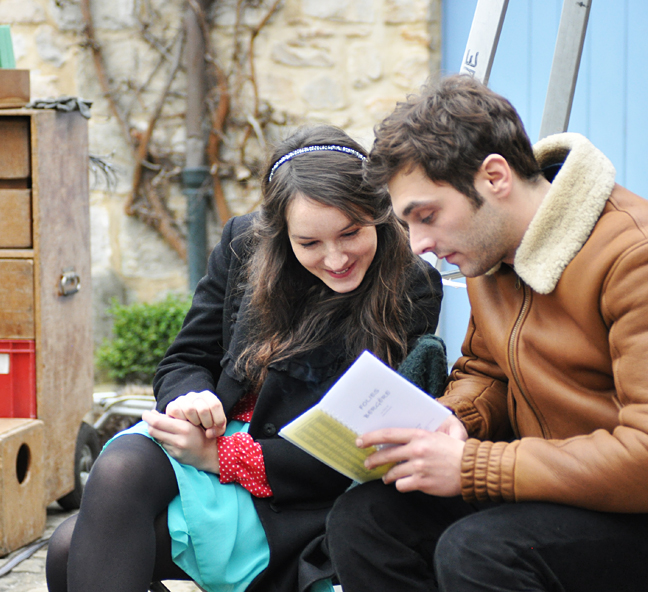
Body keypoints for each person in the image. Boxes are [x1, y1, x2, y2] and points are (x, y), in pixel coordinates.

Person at [45, 124, 442, 592]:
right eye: (309, 243)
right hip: (210, 440)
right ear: (279, 233)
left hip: (290, 484)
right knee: (119, 469)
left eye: (350, 233)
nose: (335, 259)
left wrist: (223, 456)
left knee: (70, 546)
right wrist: (189, 398)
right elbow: (184, 358)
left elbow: (355, 439)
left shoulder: (410, 283)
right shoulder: (243, 245)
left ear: (377, 213)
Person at [325, 74, 648, 592]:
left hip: (629, 505)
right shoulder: (490, 252)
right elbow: (487, 370)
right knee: (366, 520)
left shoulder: (633, 256)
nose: (419, 245)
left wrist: (475, 466)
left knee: (478, 551)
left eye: (426, 215)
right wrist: (453, 420)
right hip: (544, 483)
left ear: (494, 177)